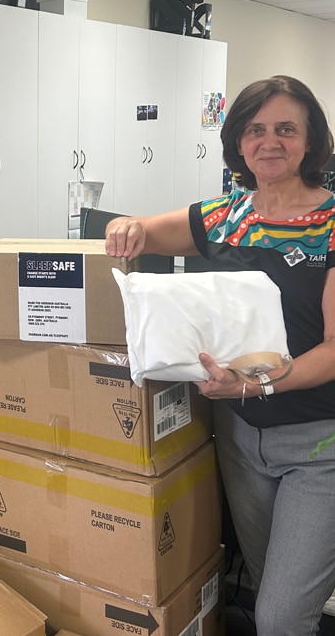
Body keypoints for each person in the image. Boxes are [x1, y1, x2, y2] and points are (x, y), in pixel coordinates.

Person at [105, 75, 335, 636]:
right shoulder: (224, 216)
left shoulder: (330, 224)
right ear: (238, 142)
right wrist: (127, 225)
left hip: (318, 442)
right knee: (263, 588)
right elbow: (145, 233)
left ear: (311, 140)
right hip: (237, 436)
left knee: (281, 618)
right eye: (255, 130)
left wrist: (258, 385)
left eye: (286, 128)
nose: (270, 141)